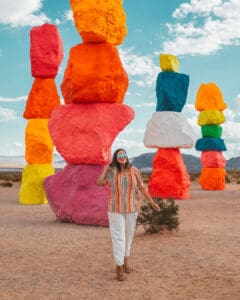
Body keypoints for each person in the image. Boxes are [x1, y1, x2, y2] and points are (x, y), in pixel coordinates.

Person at [96, 148, 160, 281]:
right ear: (116, 158)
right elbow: (99, 183)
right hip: (115, 209)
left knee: (129, 235)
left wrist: (151, 202)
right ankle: (119, 267)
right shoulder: (112, 171)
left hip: (132, 208)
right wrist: (106, 168)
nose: (122, 157)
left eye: (124, 155)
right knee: (118, 237)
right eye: (119, 156)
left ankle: (125, 261)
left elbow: (142, 187)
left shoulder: (134, 170)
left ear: (127, 157)